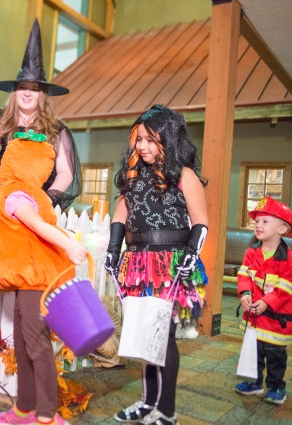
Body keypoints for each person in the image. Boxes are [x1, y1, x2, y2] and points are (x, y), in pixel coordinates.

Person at [0, 19, 81, 356]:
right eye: (22, 86)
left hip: (30, 211)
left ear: (43, 94)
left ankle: (16, 348)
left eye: (34, 88)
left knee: (26, 277)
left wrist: (44, 200)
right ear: (14, 91)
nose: (27, 92)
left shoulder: (56, 130)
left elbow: (66, 173)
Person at [0, 129, 87, 425]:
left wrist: (68, 244)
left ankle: (47, 414)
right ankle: (26, 408)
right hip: (27, 281)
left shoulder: (19, 198)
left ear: (14, 163)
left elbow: (38, 225)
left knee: (36, 346)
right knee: (25, 345)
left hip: (34, 282)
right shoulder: (18, 193)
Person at [105, 105, 209, 425]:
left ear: (169, 139)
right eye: (139, 139)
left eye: (151, 140)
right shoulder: (132, 176)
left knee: (162, 337)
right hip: (137, 264)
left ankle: (166, 410)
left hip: (170, 265)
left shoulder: (185, 175)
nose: (142, 146)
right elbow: (120, 217)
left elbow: (201, 223)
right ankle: (147, 402)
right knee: (142, 333)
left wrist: (191, 254)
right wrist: (113, 249)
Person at [235, 196, 292, 405]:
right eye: (257, 221)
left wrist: (266, 302)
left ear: (282, 229)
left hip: (278, 319)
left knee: (275, 354)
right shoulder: (252, 252)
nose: (258, 225)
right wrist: (245, 294)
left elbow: (285, 289)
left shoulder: (289, 259)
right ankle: (254, 383)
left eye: (265, 221)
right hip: (256, 317)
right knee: (254, 351)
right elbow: (244, 276)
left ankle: (276, 387)